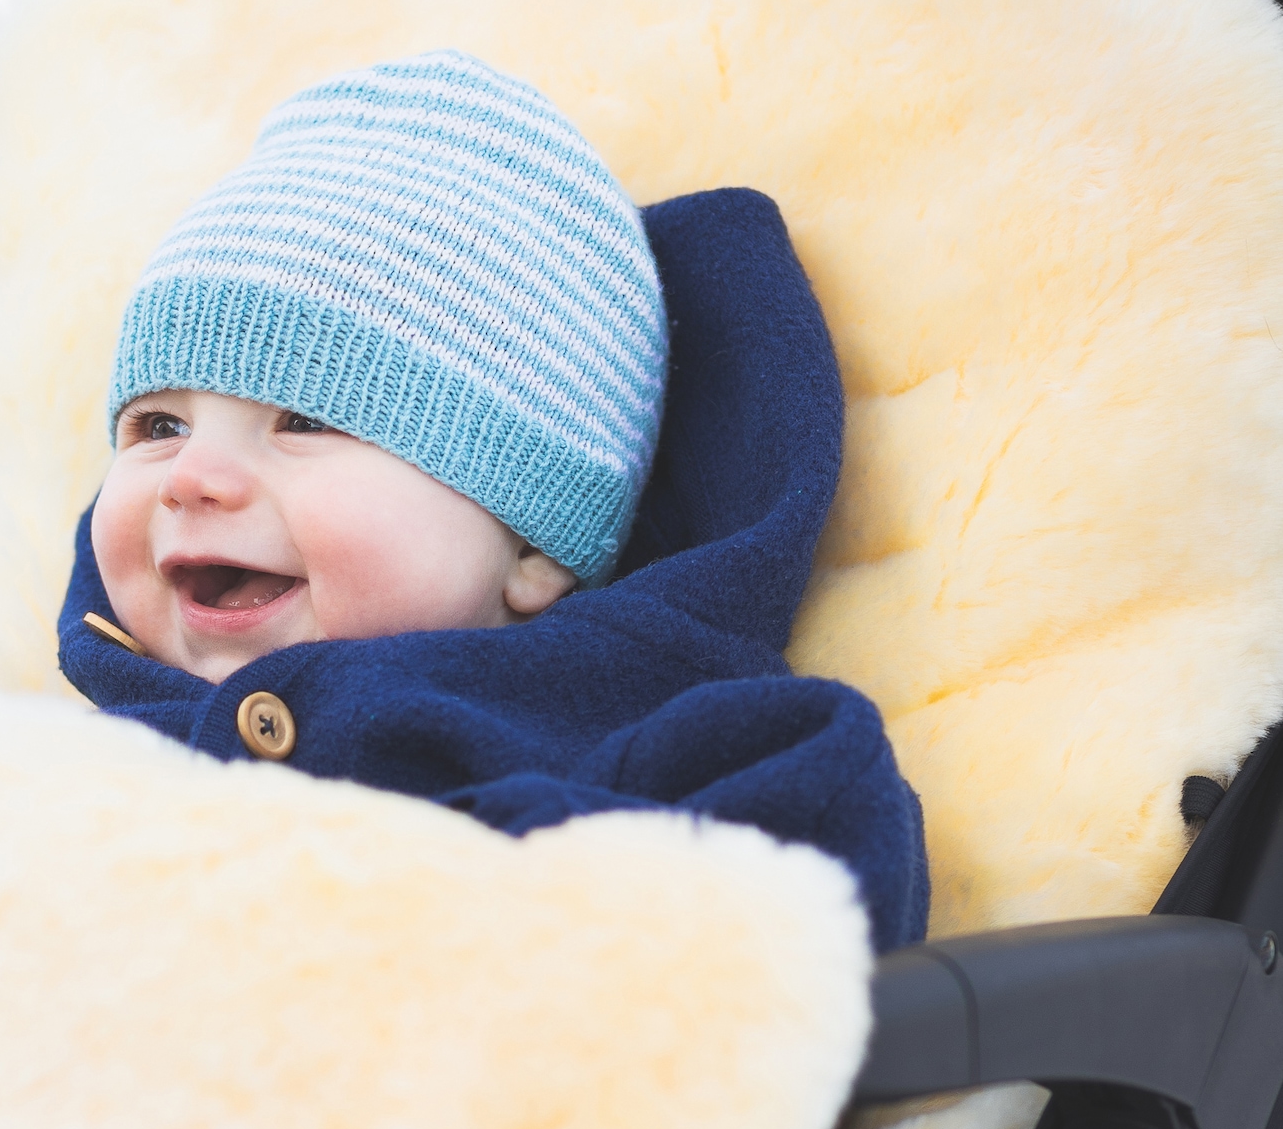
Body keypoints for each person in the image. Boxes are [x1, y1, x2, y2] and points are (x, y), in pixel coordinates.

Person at [58, 47, 929, 950]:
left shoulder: (622, 723)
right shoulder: (74, 751)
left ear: (532, 546)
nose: (193, 477)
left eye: (306, 420)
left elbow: (827, 864)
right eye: (157, 427)